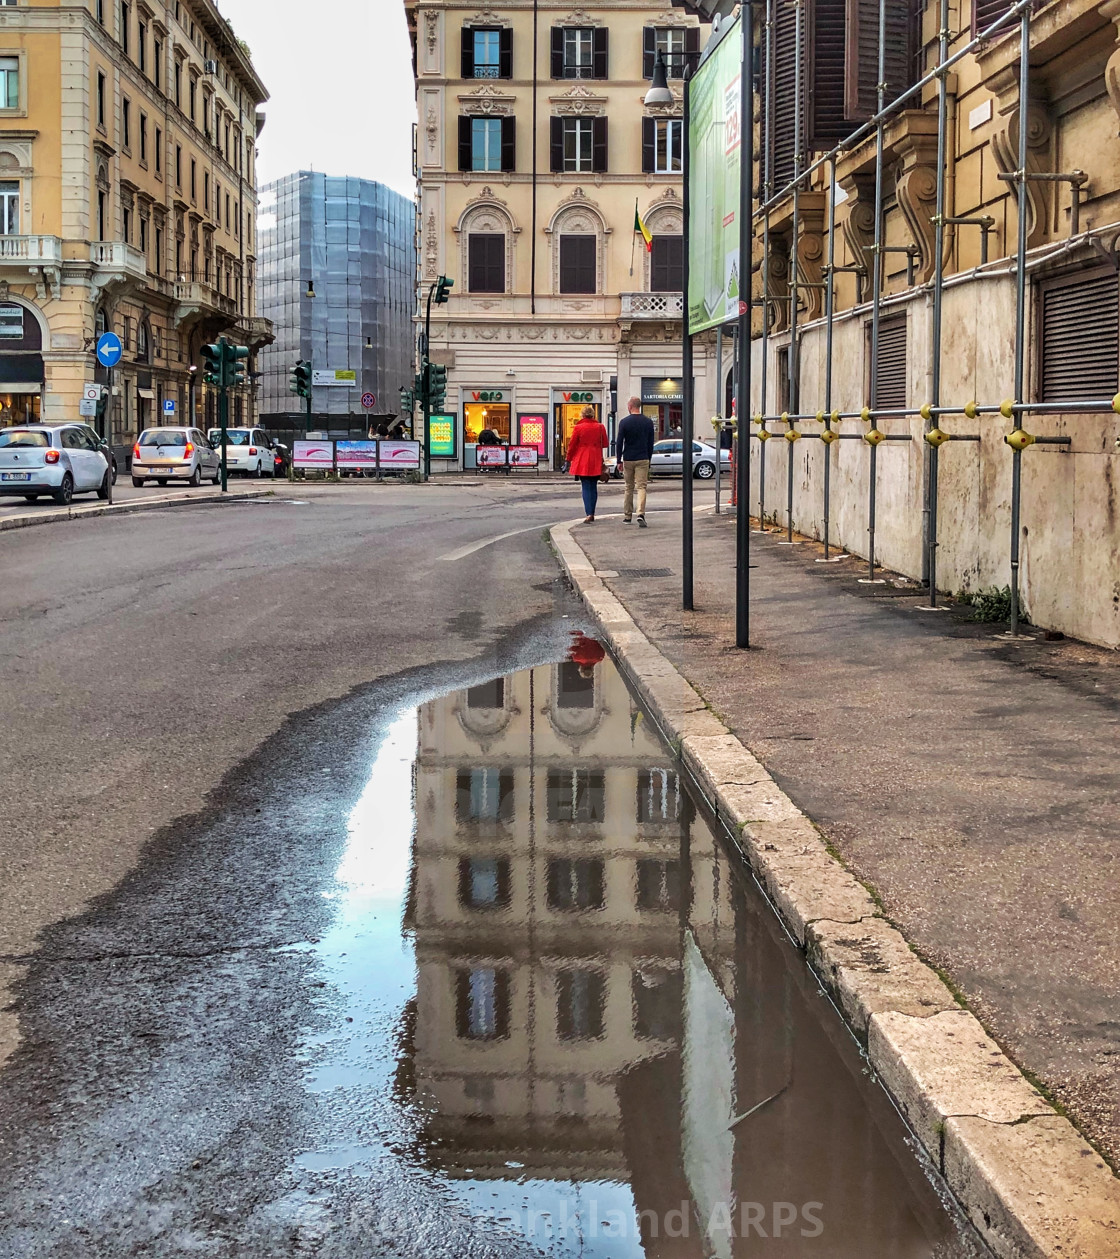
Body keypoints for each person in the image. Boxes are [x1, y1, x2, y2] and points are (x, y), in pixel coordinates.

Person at [565, 404, 608, 523]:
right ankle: (592, 512)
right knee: (593, 486)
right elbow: (605, 443)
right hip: (595, 458)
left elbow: (572, 445)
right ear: (593, 414)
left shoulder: (578, 428)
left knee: (585, 486)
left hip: (582, 458)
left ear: (582, 415)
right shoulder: (600, 427)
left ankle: (588, 513)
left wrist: (568, 459)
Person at [616, 396, 655, 527]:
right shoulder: (648, 422)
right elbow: (651, 443)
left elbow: (619, 442)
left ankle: (627, 516)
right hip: (643, 458)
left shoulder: (624, 422)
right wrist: (649, 458)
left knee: (629, 487)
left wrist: (618, 460)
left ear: (630, 406)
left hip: (628, 458)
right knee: (642, 487)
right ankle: (640, 514)